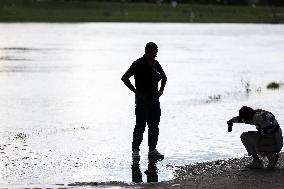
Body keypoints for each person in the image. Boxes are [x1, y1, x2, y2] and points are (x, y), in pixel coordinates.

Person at [121, 42, 167, 160]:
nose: (155, 54)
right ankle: (135, 151)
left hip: (154, 100)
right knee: (140, 126)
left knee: (154, 126)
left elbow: (164, 77)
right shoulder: (138, 63)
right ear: (147, 50)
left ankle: (152, 150)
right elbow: (125, 78)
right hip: (142, 100)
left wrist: (161, 90)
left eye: (156, 52)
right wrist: (135, 92)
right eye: (153, 52)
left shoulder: (156, 63)